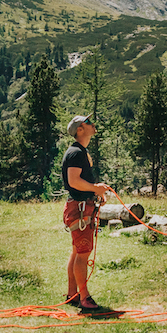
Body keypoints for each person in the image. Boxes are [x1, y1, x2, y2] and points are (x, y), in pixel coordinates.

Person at [62, 114, 110, 312]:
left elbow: (79, 182)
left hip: (80, 206)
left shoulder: (79, 151)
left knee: (77, 252)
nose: (93, 125)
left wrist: (95, 191)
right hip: (80, 210)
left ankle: (72, 294)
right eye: (88, 123)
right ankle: (84, 298)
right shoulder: (76, 153)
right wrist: (95, 188)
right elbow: (74, 181)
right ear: (80, 130)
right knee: (82, 254)